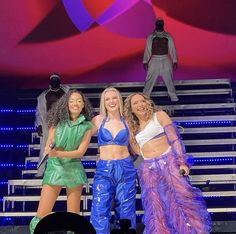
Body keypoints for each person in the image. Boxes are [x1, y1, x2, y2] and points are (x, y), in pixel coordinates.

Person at [123, 93, 212, 234]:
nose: (140, 104)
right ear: (131, 109)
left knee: (182, 201)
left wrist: (182, 162)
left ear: (148, 103)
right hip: (149, 168)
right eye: (135, 103)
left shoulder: (159, 115)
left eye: (142, 101)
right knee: (155, 207)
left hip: (169, 162)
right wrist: (129, 130)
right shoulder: (134, 128)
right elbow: (137, 151)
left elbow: (175, 139)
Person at [29, 89, 94, 234]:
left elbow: (80, 152)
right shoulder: (56, 122)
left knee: (73, 216)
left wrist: (57, 152)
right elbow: (49, 143)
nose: (75, 104)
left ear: (83, 104)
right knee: (42, 214)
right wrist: (49, 148)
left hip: (74, 167)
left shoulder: (87, 126)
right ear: (66, 104)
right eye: (71, 101)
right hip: (55, 166)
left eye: (78, 101)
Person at [90, 87, 137, 234]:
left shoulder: (128, 121)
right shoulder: (98, 120)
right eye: (107, 99)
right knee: (99, 207)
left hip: (125, 167)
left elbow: (135, 147)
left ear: (119, 100)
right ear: (103, 102)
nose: (111, 101)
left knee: (126, 207)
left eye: (114, 98)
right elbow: (80, 137)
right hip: (104, 168)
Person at [35, 73, 70, 178]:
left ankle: (66, 171)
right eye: (52, 80)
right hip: (48, 124)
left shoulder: (66, 92)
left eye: (56, 80)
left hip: (63, 123)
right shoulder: (43, 96)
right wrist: (39, 125)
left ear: (59, 82)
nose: (54, 82)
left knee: (65, 147)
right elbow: (38, 112)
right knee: (45, 148)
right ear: (50, 82)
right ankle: (41, 171)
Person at [143, 18, 179, 102]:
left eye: (161, 24)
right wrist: (145, 61)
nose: (159, 25)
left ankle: (173, 97)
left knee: (169, 79)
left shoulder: (168, 36)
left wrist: (175, 60)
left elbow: (172, 48)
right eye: (158, 24)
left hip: (165, 59)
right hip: (154, 59)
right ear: (156, 25)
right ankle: (145, 97)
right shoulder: (151, 36)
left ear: (163, 25)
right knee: (149, 80)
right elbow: (147, 49)